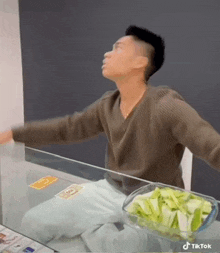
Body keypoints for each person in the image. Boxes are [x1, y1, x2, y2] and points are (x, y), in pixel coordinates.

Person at [1, 25, 220, 252]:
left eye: (118, 48)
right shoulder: (108, 103)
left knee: (125, 248)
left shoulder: (167, 105)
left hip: (156, 203)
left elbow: (211, 146)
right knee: (33, 221)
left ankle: (99, 231)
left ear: (140, 62)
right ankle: (100, 230)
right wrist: (12, 134)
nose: (107, 54)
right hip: (110, 190)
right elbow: (68, 128)